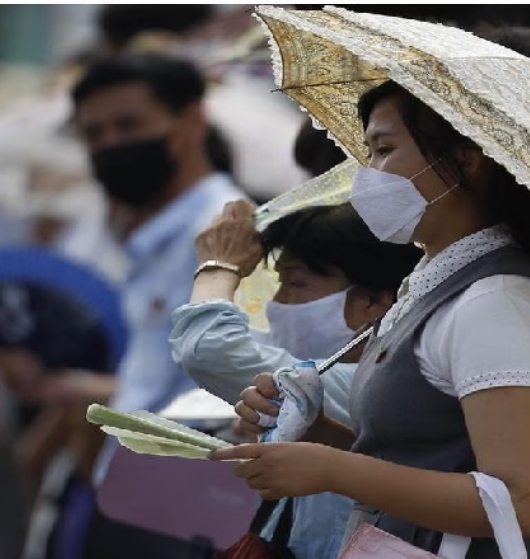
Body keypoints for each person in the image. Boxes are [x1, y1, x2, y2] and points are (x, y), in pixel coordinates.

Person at [212, 32, 530, 559]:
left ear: (466, 161)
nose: (367, 176)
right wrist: (315, 435)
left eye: (385, 150)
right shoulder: (437, 276)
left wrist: (331, 469)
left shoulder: (500, 299)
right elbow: (423, 461)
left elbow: (520, 502)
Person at [171, 200, 421, 559]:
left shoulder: (371, 384)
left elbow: (208, 349)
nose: (278, 303)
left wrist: (219, 267)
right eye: (279, 284)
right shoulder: (325, 371)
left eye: (297, 284)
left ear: (374, 302)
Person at [71, 52, 245, 556]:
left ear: (192, 122)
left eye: (129, 124)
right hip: (132, 500)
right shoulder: (152, 237)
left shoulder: (226, 234)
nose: (111, 145)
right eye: (94, 134)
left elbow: (230, 388)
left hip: (177, 511)